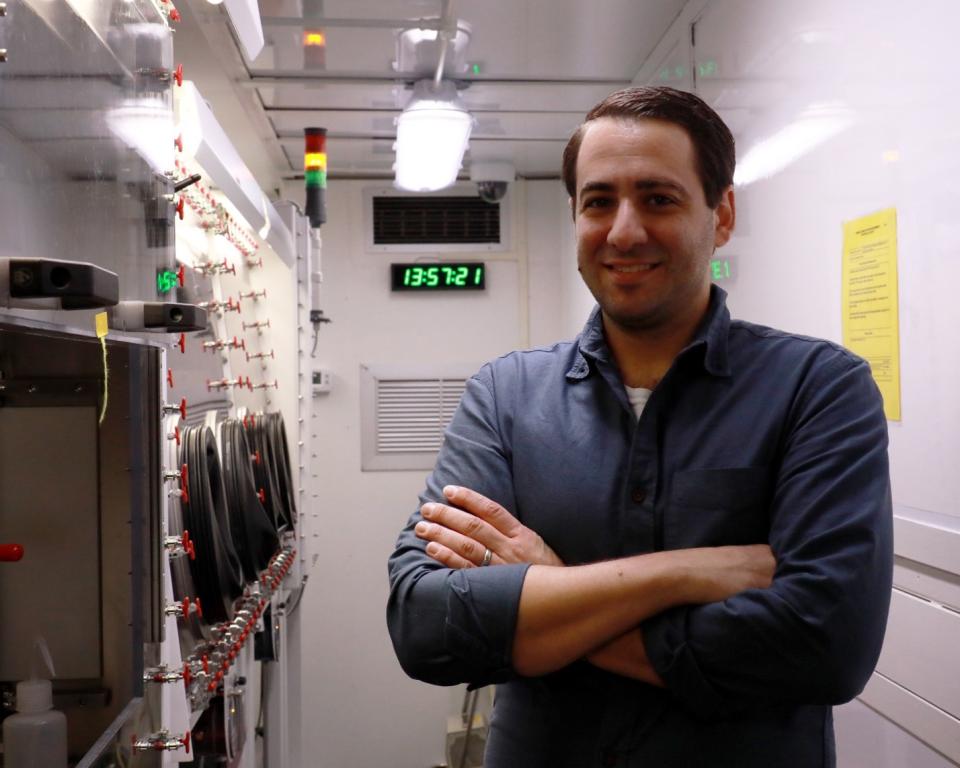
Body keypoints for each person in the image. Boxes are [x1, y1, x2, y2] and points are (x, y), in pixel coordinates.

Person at [386, 86, 893, 768]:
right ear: (575, 216)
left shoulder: (818, 389)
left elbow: (826, 647)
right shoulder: (506, 397)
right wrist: (682, 574)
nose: (624, 231)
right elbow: (425, 625)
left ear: (722, 215)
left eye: (658, 198)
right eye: (599, 201)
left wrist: (547, 591)